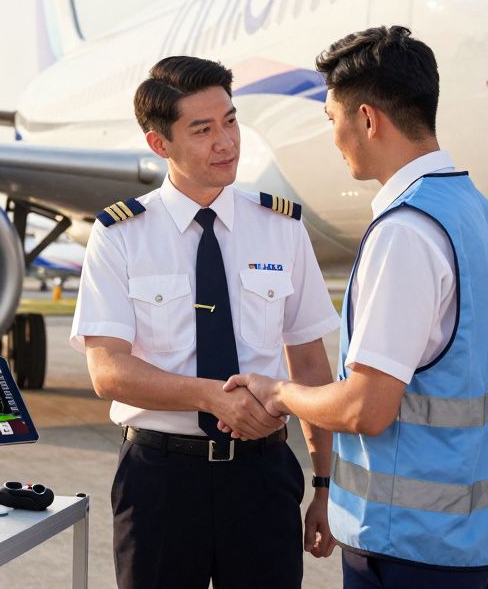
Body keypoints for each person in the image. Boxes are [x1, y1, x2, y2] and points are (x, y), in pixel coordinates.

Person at [225, 26, 488, 588]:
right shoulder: (481, 215)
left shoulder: (406, 232)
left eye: (331, 119)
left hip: (410, 543)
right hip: (480, 538)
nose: (333, 137)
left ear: (367, 119)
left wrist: (279, 392)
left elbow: (368, 409)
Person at [69, 55, 340, 589]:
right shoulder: (121, 235)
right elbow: (109, 372)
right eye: (203, 129)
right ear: (159, 144)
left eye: (231, 121)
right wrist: (214, 397)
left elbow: (309, 362)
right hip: (160, 480)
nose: (227, 142)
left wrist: (328, 485)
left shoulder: (281, 228)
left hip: (263, 476)